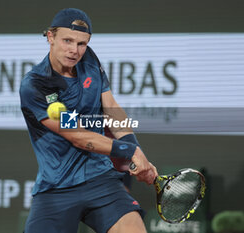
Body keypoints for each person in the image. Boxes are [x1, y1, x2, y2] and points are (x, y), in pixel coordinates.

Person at [20, 8, 158, 233]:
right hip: (56, 188)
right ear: (50, 37)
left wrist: (136, 152)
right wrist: (129, 152)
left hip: (101, 180)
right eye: (67, 40)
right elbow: (77, 136)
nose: (75, 51)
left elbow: (111, 109)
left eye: (82, 43)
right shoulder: (35, 85)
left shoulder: (90, 59)